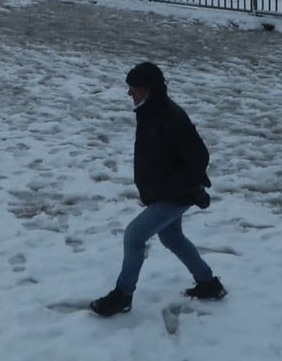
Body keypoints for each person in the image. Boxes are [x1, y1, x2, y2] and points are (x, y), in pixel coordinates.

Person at [90, 62, 226, 317]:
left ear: (148, 89)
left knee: (134, 236)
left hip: (175, 194)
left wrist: (167, 188)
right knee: (171, 237)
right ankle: (208, 284)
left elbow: (199, 158)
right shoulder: (150, 111)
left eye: (133, 87)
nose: (129, 93)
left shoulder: (170, 117)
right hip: (166, 193)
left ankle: (122, 295)